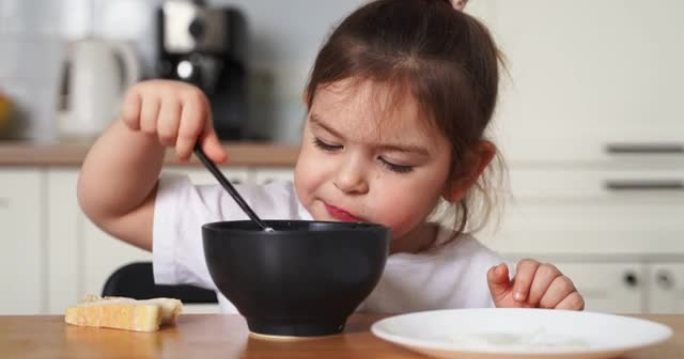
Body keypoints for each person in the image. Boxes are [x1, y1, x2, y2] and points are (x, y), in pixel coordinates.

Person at [78, 0, 585, 313]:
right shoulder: (247, 227)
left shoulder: (480, 284)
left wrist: (536, 322)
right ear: (308, 117)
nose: (348, 180)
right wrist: (141, 128)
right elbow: (113, 206)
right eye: (327, 142)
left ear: (463, 171)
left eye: (394, 163)